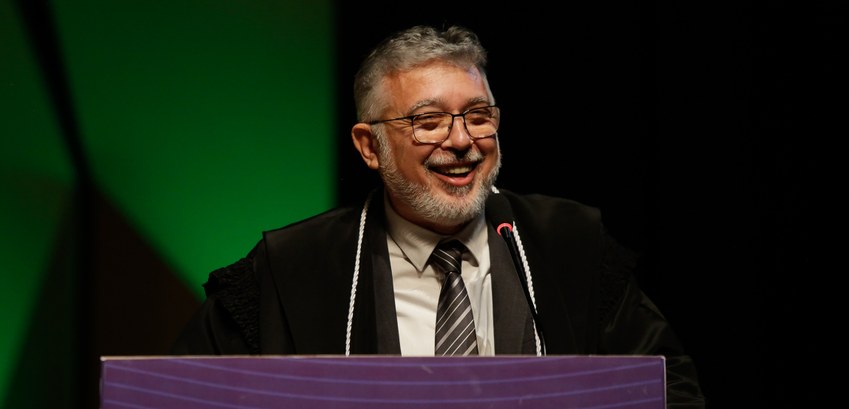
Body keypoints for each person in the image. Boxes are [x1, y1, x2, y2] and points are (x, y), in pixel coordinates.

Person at [171, 24, 706, 406]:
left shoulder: (568, 243)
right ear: (370, 146)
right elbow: (182, 395)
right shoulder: (293, 268)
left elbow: (667, 385)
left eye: (478, 116)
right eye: (427, 121)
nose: (461, 142)